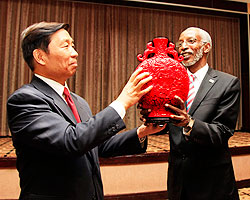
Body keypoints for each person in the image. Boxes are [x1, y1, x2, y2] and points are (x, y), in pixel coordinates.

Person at [7, 22, 166, 200]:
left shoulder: (78, 101)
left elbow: (96, 146)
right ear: (40, 57)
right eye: (65, 46)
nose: (74, 53)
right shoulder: (25, 100)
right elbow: (71, 141)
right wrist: (122, 102)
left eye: (73, 45)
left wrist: (142, 132)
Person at [141, 27, 240, 200]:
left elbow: (222, 132)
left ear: (206, 47)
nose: (183, 47)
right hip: (178, 181)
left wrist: (189, 123)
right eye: (180, 43)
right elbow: (166, 124)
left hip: (212, 182)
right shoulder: (168, 79)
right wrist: (153, 121)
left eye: (191, 41)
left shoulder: (227, 83)